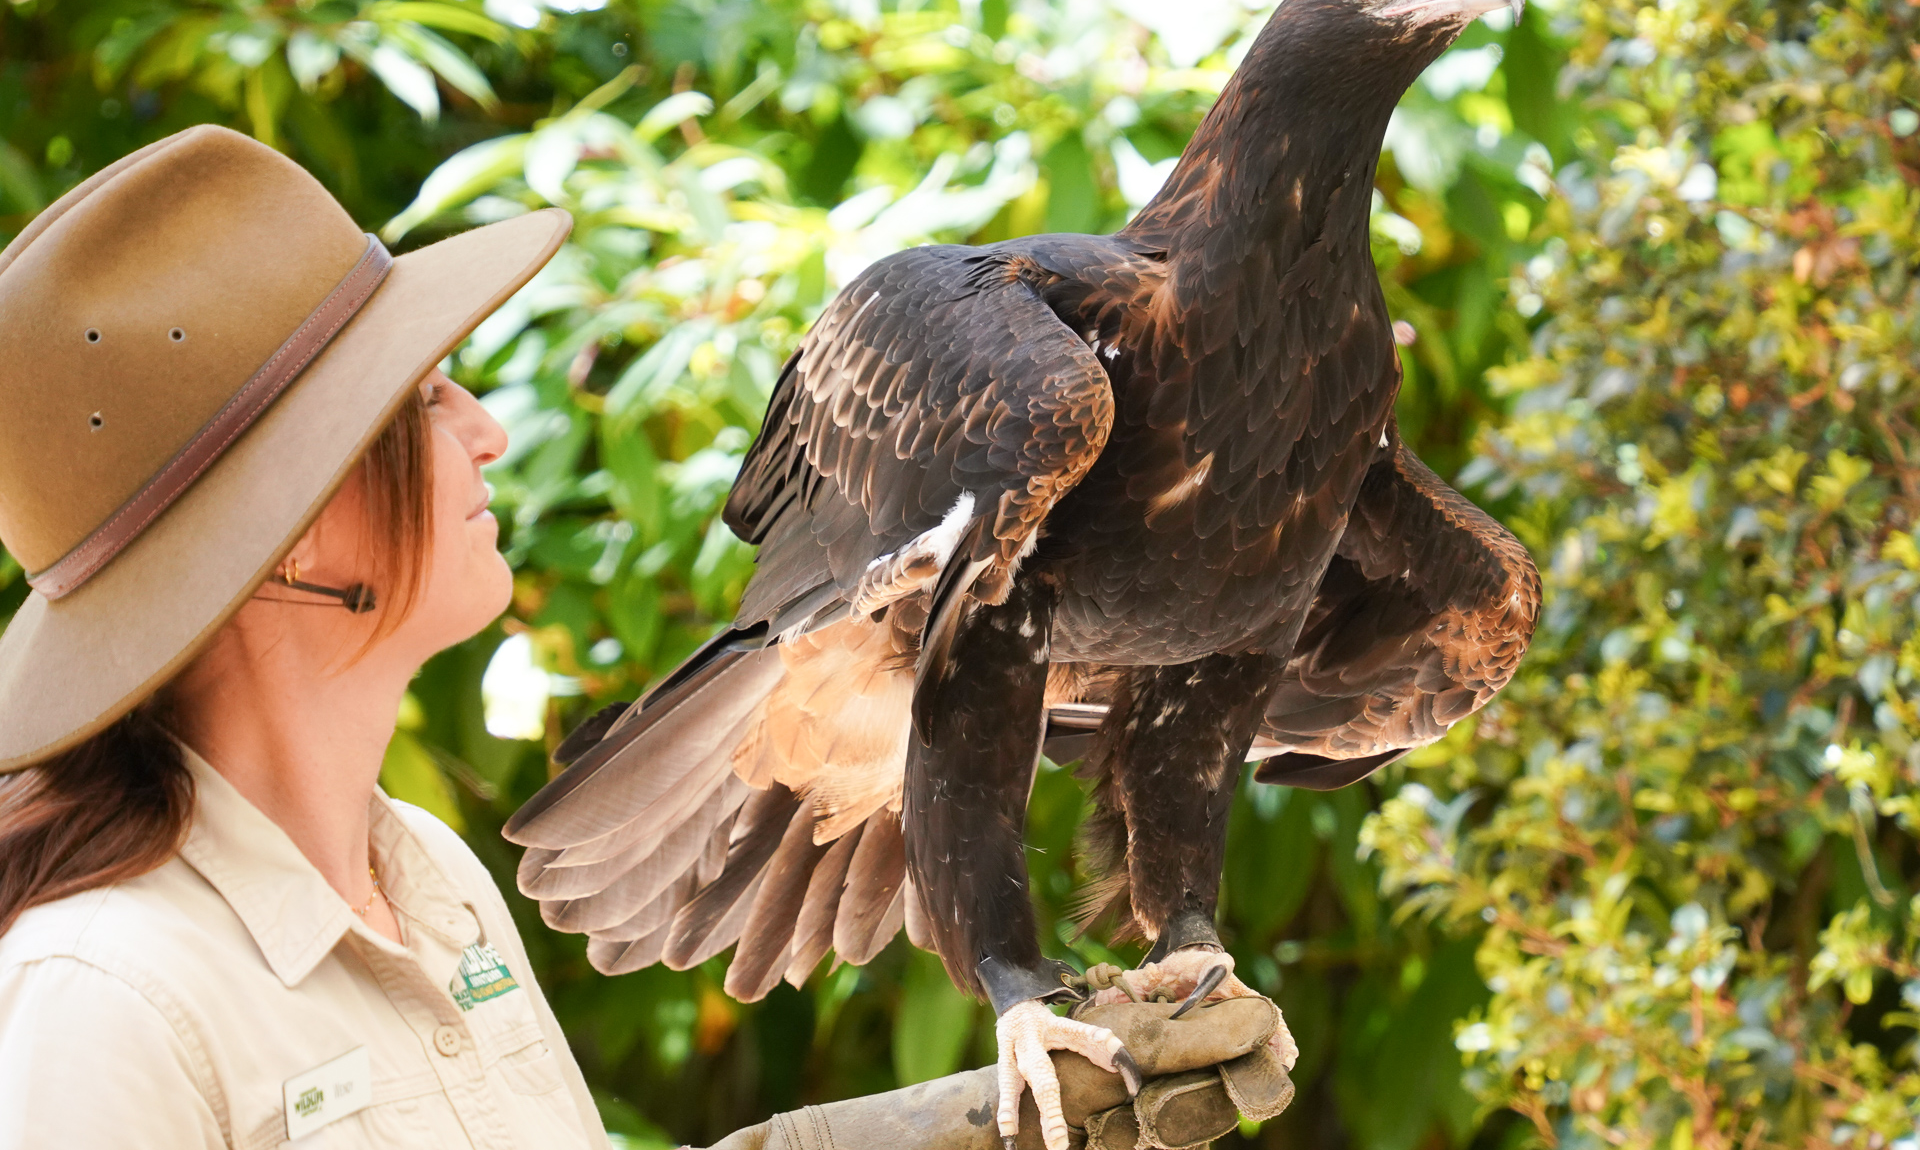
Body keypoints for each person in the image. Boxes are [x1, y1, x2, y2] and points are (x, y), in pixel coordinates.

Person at [0, 126, 1281, 1149]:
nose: (488, 429)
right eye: (423, 398)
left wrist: (920, 1135)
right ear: (283, 535)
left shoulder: (422, 882)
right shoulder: (105, 1002)